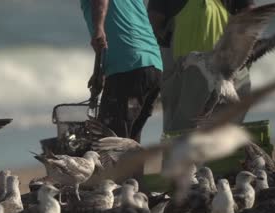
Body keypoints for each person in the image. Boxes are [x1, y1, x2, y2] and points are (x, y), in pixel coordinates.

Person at [147, 0, 254, 132]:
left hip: (187, 74)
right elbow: (249, 18)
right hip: (229, 70)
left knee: (179, 132)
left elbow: (154, 24)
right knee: (226, 133)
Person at [80, 0, 163, 143]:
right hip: (153, 66)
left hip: (128, 69)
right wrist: (102, 71)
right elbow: (121, 27)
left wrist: (98, 27)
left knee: (112, 141)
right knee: (130, 142)